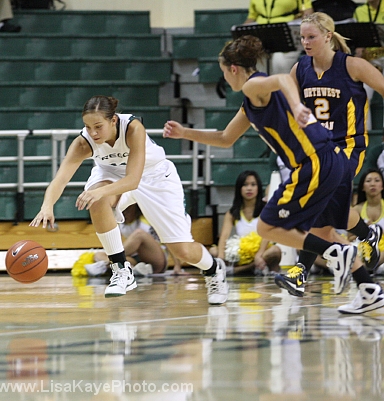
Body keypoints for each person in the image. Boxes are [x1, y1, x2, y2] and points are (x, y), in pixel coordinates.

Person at [163, 35, 384, 314]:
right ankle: (368, 289)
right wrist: (185, 133)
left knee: (267, 226)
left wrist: (298, 105)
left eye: (224, 72)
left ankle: (336, 252)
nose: (225, 79)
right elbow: (225, 138)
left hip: (314, 161)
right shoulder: (251, 99)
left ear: (233, 69)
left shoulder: (254, 84)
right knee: (321, 229)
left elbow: (281, 80)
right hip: (325, 161)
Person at [30, 95, 229, 304]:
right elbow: (60, 179)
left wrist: (99, 192)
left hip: (155, 177)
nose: (93, 133)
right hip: (111, 174)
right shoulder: (83, 143)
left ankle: (214, 269)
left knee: (183, 251)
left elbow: (133, 180)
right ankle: (121, 269)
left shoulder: (133, 128)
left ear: (113, 120)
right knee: (96, 199)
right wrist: (47, 206)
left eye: (98, 126)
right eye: (88, 127)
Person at [283, 12, 384, 292]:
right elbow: (286, 105)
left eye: (311, 37)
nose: (305, 42)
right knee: (326, 212)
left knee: (320, 203)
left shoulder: (353, 65)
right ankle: (367, 234)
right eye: (302, 37)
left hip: (348, 146)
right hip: (317, 149)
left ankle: (301, 270)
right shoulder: (299, 69)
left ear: (328, 36)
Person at [211, 170, 281, 276]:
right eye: (245, 185)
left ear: (258, 188)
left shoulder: (266, 209)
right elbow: (224, 236)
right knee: (213, 251)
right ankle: (252, 268)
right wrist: (221, 257)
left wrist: (259, 255)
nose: (249, 188)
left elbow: (267, 235)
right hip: (241, 253)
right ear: (239, 188)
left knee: (275, 251)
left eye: (253, 185)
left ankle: (238, 270)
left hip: (261, 252)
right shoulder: (232, 213)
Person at [84, 204, 182, 277]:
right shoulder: (120, 223)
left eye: (128, 209)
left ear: (135, 207)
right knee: (98, 255)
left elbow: (169, 240)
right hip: (137, 259)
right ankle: (135, 269)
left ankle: (106, 264)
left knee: (139, 234)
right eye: (123, 210)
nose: (125, 212)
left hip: (157, 259)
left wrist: (177, 266)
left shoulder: (148, 219)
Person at [244, 0, 313, 74]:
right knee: (258, 64)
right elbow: (252, 16)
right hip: (262, 36)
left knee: (279, 62)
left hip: (287, 36)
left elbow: (307, 10)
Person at [353, 0, 384, 130]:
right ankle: (364, 134)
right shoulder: (359, 11)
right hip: (371, 59)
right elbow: (357, 37)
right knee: (362, 94)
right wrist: (359, 48)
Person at [352, 168, 384, 274]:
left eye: (377, 180)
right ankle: (365, 267)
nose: (373, 184)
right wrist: (363, 230)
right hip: (362, 248)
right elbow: (350, 237)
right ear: (362, 187)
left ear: (382, 186)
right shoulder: (356, 209)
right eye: (368, 181)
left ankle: (367, 267)